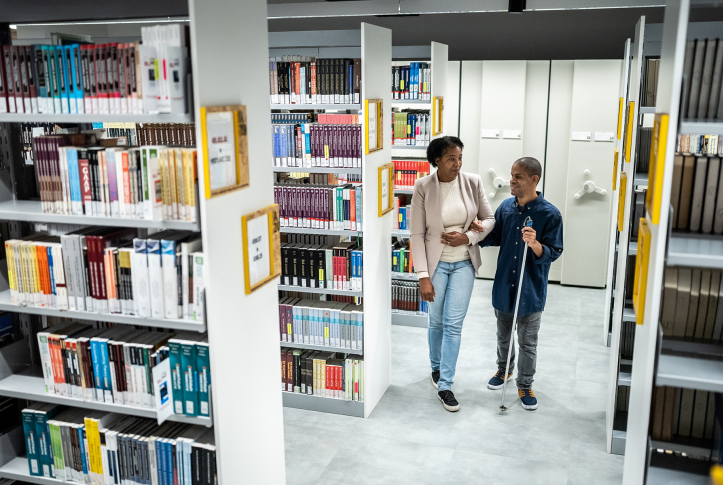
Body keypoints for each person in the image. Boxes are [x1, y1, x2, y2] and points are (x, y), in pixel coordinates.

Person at [470, 157, 563, 411]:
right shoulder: (505, 209)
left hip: (530, 291)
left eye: (518, 176)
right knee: (503, 337)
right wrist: (478, 232)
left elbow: (554, 252)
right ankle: (504, 371)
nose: (512, 180)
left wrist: (534, 244)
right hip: (504, 287)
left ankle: (525, 384)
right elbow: (495, 237)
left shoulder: (550, 214)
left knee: (528, 343)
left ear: (534, 180)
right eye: (511, 175)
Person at [411, 136, 496, 412]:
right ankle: (436, 368)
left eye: (460, 158)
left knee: (453, 324)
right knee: (436, 322)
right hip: (435, 266)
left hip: (464, 264)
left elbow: (490, 218)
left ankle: (446, 384)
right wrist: (423, 275)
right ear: (436, 160)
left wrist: (469, 237)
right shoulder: (423, 187)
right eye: (451, 158)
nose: (457, 164)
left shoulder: (472, 182)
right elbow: (416, 234)